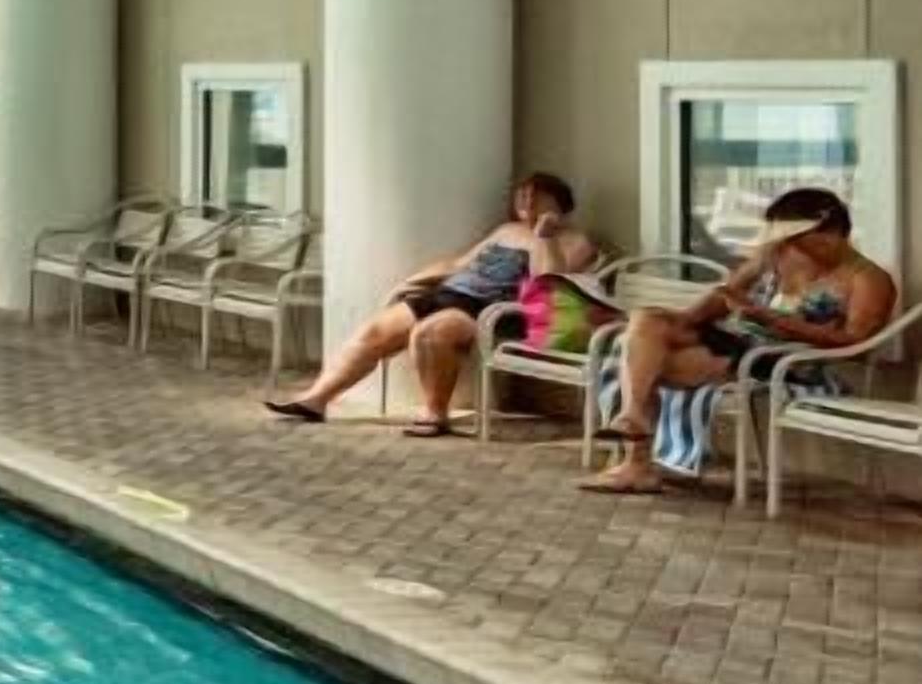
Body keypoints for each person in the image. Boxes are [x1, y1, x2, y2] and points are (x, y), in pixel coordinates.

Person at [585, 188, 899, 496]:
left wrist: (771, 319)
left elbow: (857, 341)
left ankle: (636, 461)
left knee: (648, 363)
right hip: (737, 340)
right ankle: (634, 421)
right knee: (646, 320)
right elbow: (726, 294)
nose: (791, 248)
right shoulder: (779, 256)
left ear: (831, 235)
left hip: (783, 359)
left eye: (798, 239)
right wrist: (683, 321)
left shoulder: (867, 279)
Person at [264, 173, 598, 435]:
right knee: (376, 331)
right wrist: (412, 282)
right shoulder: (506, 229)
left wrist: (546, 238)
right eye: (521, 194)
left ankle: (435, 413)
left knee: (429, 334)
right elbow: (458, 264)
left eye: (535, 194)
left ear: (558, 202)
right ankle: (316, 400)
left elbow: (551, 282)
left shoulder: (576, 240)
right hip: (452, 293)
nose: (525, 200)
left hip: (495, 309)